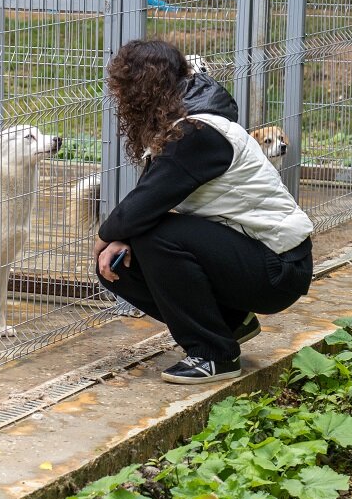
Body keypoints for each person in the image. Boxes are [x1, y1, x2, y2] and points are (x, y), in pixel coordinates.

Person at [94, 39, 314, 384]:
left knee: (153, 238)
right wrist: (118, 238)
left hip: (280, 268)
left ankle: (215, 355)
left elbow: (150, 200)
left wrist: (105, 236)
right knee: (121, 263)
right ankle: (230, 323)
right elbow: (149, 198)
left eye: (123, 89)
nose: (120, 100)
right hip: (256, 256)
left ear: (144, 88)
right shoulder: (187, 124)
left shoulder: (199, 132)